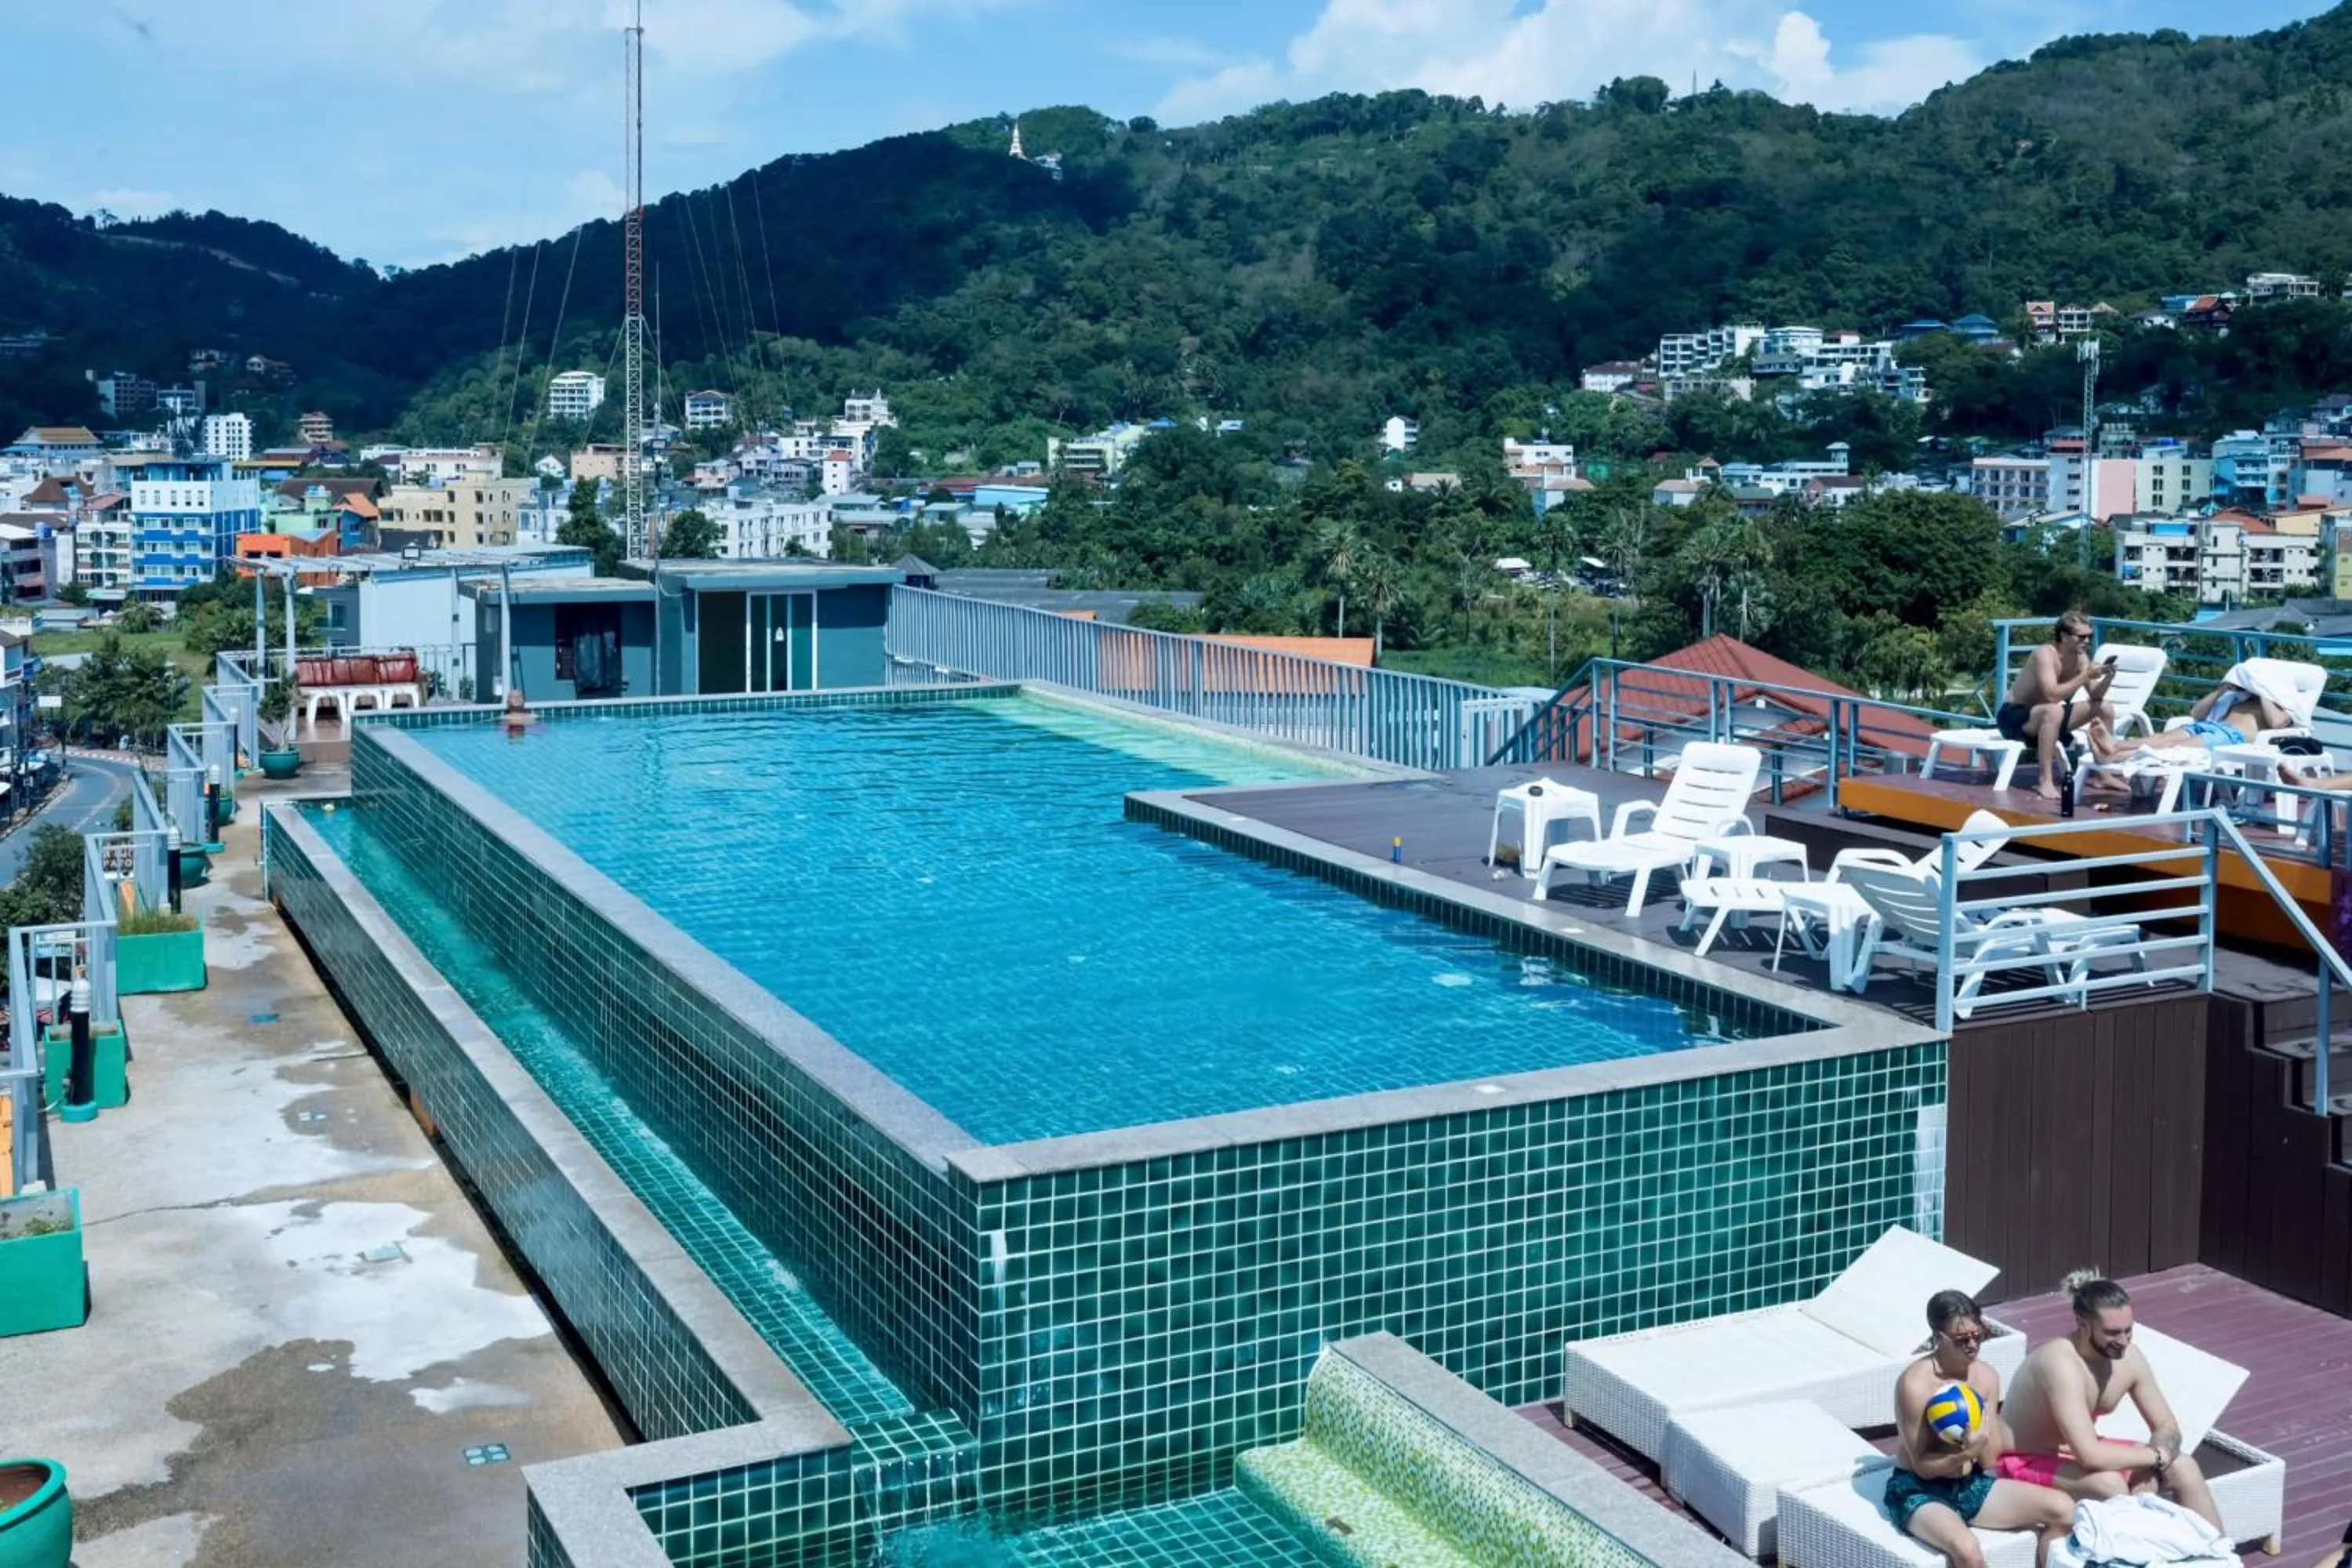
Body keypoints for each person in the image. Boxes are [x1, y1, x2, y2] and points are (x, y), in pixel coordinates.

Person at [1999, 1271, 2222, 1531]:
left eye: (2129, 1330)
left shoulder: (2130, 1358)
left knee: (2184, 1466)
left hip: (2077, 1451)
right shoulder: (2059, 1363)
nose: (2124, 1341)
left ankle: (2221, 1555)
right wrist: (2153, 1459)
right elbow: (2090, 1457)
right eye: (2113, 1333)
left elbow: (2167, 1426)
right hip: (2026, 1458)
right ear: (2082, 1325)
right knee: (2110, 1486)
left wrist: (2154, 1465)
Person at [1886, 1290, 2074, 1568]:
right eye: (1962, 1340)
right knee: (1968, 1550)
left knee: (2065, 1510)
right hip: (1918, 1489)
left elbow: (1988, 1460)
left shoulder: (1985, 1376)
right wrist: (1966, 1451)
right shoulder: (1915, 1385)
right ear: (1938, 1338)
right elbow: (1922, 1466)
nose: (1973, 1345)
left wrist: (1986, 1436)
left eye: (1979, 1335)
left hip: (1969, 1484)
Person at [1998, 612, 2118, 800]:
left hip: (2049, 718)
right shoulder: (2045, 654)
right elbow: (2051, 694)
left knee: (2105, 708)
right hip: (2015, 717)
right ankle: (2045, 780)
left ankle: (2103, 774)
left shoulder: (2081, 658)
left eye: (2090, 637)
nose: (2087, 641)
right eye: (2081, 637)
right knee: (2054, 710)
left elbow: (2095, 695)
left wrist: (2108, 677)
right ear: (2064, 636)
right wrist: (2085, 675)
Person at [2082, 677, 2296, 762]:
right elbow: (2197, 713)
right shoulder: (2237, 697)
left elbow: (2278, 724)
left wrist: (2265, 693)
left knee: (2172, 747)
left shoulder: (2282, 707)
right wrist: (2222, 690)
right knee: (2161, 738)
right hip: (2209, 726)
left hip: (2232, 738)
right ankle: (2115, 744)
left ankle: (2111, 756)